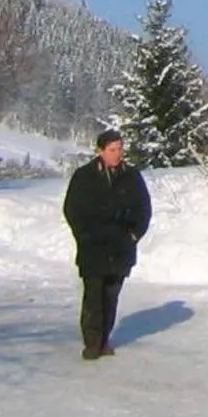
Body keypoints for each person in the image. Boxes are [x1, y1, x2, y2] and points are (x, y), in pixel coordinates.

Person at [62, 129, 152, 361]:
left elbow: (144, 210)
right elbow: (72, 210)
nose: (117, 154)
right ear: (100, 151)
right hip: (93, 248)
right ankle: (92, 342)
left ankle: (104, 340)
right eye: (112, 150)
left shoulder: (132, 176)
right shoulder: (84, 177)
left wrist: (134, 236)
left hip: (121, 248)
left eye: (120, 149)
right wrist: (84, 236)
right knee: (94, 297)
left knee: (111, 296)